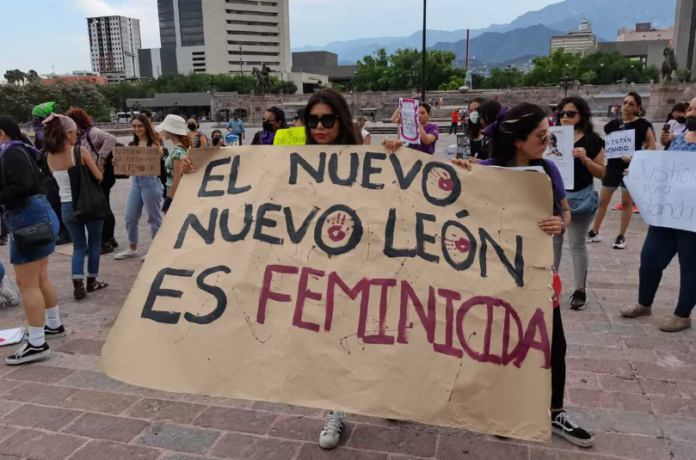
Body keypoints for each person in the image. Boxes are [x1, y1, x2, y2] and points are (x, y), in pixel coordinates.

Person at [181, 88, 359, 450]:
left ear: (342, 120)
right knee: (326, 335)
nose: (320, 127)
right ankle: (334, 407)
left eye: (328, 119)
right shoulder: (291, 157)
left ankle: (360, 402)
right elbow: (251, 185)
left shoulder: (364, 157)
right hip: (308, 261)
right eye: (313, 121)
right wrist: (195, 169)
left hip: (353, 262)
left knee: (352, 333)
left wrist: (396, 154)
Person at [451, 103, 592, 449]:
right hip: (494, 276)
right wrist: (459, 169)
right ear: (517, 140)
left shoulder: (546, 170)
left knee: (555, 343)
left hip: (538, 275)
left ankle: (555, 411)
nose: (548, 141)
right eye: (541, 136)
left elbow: (566, 214)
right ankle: (506, 410)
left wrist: (559, 223)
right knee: (501, 341)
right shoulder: (484, 170)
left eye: (549, 134)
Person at [621, 96, 696, 333]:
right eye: (689, 108)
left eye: (694, 109)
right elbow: (665, 171)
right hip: (668, 213)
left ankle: (682, 315)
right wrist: (639, 170)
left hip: (692, 220)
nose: (687, 112)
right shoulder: (680, 139)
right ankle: (645, 303)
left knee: (691, 266)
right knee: (650, 258)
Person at [0, 115, 62, 365]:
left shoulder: (11, 153)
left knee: (27, 284)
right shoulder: (21, 150)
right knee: (40, 278)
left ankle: (37, 343)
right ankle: (53, 325)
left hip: (28, 219)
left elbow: (21, 186)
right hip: (38, 216)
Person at [44, 114, 108, 299]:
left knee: (79, 245)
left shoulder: (49, 156)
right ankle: (92, 281)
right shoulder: (79, 151)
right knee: (95, 242)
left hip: (66, 207)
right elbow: (98, 177)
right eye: (75, 133)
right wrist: (100, 165)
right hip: (88, 204)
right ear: (69, 133)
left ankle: (78, 284)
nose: (77, 135)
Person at [556, 97, 606, 310]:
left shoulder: (593, 140)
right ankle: (550, 284)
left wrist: (585, 159)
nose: (565, 117)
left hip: (579, 198)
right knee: (553, 244)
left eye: (570, 114)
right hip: (556, 197)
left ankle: (579, 289)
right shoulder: (551, 136)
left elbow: (603, 172)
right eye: (562, 113)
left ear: (582, 115)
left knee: (576, 244)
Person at [588, 92, 656, 249]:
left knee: (627, 203)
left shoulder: (643, 125)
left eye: (631, 104)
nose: (626, 106)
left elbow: (652, 147)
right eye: (625, 102)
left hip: (631, 169)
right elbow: (608, 144)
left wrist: (635, 158)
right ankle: (595, 231)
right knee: (603, 201)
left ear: (637, 107)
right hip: (612, 167)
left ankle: (621, 236)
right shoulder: (611, 125)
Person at [65, 108, 118, 254]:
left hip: (102, 174)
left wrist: (100, 159)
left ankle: (106, 241)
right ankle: (110, 238)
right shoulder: (81, 135)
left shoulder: (91, 132)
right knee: (104, 205)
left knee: (102, 206)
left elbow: (111, 139)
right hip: (96, 173)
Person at [114, 115, 164, 261]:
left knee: (154, 218)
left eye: (140, 126)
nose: (137, 129)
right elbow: (128, 170)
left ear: (146, 126)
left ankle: (157, 250)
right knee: (130, 217)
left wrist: (159, 154)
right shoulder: (132, 144)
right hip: (136, 183)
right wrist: (118, 162)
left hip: (151, 182)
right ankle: (132, 247)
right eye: (134, 126)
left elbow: (160, 159)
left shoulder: (155, 144)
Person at [159, 115, 190, 213]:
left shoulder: (177, 151)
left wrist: (169, 199)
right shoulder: (179, 148)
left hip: (174, 191)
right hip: (172, 189)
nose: (163, 131)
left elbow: (177, 177)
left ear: (171, 131)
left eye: (165, 129)